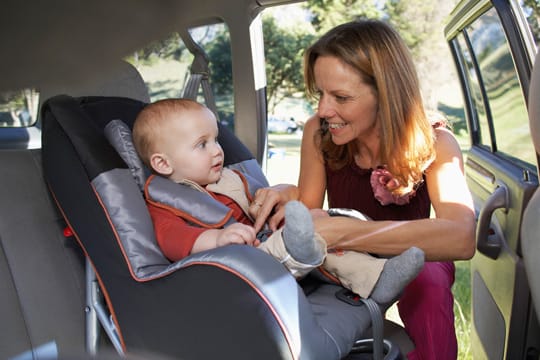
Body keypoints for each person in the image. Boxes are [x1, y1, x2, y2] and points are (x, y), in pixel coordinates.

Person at [252, 20, 476, 360]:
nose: (323, 110)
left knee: (429, 279)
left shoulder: (438, 143)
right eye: (320, 94)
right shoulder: (319, 132)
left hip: (412, 256)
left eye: (341, 97)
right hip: (348, 259)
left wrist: (349, 232)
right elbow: (311, 208)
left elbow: (460, 236)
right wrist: (291, 192)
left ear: (385, 94)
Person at [132, 97, 425, 305]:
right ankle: (300, 245)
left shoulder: (227, 181)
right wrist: (217, 238)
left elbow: (258, 208)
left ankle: (378, 277)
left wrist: (265, 205)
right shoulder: (165, 202)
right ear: (163, 163)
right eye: (202, 144)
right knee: (303, 238)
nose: (218, 150)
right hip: (237, 268)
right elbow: (172, 240)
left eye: (216, 140)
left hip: (266, 245)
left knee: (324, 239)